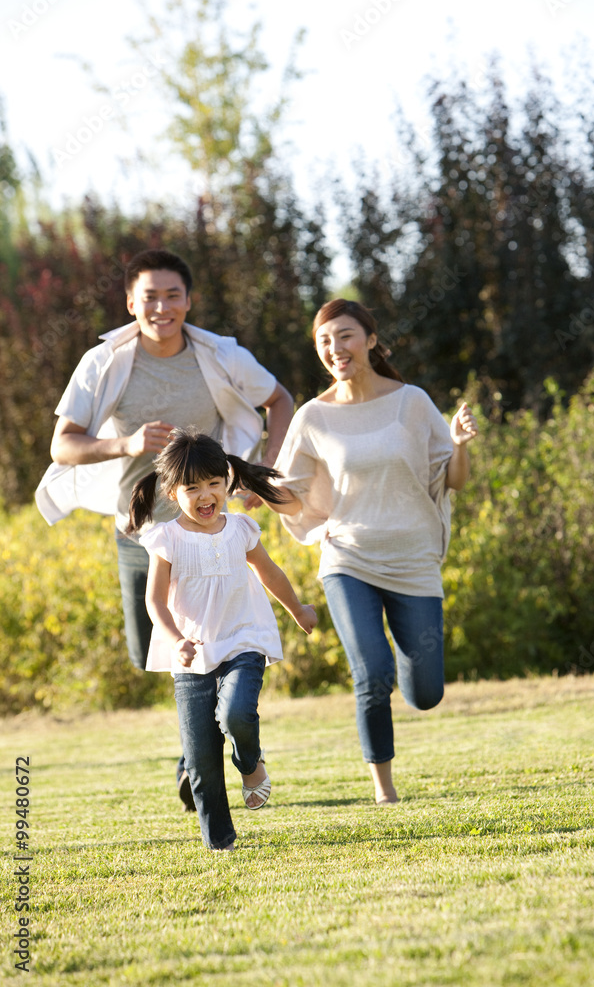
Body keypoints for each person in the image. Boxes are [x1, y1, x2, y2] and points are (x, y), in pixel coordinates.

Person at [35, 248, 294, 811]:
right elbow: (63, 443)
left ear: (188, 300)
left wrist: (259, 476)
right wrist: (124, 444)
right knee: (151, 647)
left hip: (211, 528)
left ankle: (194, 759)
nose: (162, 307)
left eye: (172, 295)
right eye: (149, 296)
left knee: (215, 641)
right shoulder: (103, 362)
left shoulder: (220, 354)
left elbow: (280, 400)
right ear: (131, 303)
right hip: (142, 531)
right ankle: (204, 745)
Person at [262, 298, 479, 805]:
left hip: (412, 557)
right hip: (348, 558)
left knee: (425, 693)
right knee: (371, 671)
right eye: (324, 341)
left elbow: (453, 480)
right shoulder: (314, 416)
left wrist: (461, 445)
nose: (335, 348)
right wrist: (256, 486)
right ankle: (384, 791)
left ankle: (412, 675)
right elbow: (291, 493)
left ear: (371, 340)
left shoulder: (411, 402)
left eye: (345, 335)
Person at [127, 429, 317, 851]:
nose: (206, 495)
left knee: (235, 714)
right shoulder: (167, 539)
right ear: (173, 492)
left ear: (227, 482)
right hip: (191, 654)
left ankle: (250, 762)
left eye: (214, 483)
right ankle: (221, 843)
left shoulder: (241, 529)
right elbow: (154, 600)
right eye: (192, 487)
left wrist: (299, 610)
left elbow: (270, 574)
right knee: (200, 762)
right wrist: (175, 639)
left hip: (242, 640)